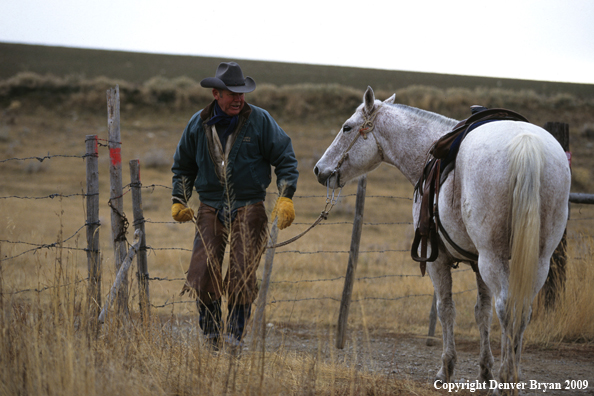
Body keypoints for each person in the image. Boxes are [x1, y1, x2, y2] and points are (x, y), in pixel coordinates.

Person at [170, 61, 299, 350]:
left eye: (242, 93)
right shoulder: (197, 123)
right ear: (216, 94)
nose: (239, 99)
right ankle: (211, 336)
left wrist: (285, 196)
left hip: (250, 204)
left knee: (242, 272)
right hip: (210, 205)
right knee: (203, 271)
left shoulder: (261, 120)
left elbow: (286, 159)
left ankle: (234, 339)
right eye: (232, 93)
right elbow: (182, 167)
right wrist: (179, 200)